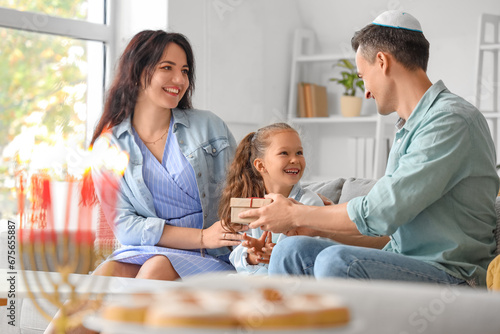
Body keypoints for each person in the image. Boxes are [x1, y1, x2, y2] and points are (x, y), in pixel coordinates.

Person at [240, 11, 499, 287]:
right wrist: (315, 226)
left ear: (382, 61)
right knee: (291, 249)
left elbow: (380, 212)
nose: (365, 91)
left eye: (363, 76)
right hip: (406, 262)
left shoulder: (450, 120)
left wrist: (295, 213)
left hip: (455, 276)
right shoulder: (409, 129)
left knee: (335, 262)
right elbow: (390, 234)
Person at [89, 30, 247, 281]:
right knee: (103, 276)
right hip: (146, 250)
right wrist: (201, 236)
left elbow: (245, 192)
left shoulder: (209, 126)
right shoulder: (108, 146)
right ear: (138, 72)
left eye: (185, 70)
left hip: (213, 254)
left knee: (156, 267)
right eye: (167, 67)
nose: (180, 79)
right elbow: (125, 226)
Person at [218, 123, 325, 275]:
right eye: (284, 153)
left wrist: (275, 256)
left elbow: (313, 255)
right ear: (261, 165)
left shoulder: (311, 203)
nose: (295, 159)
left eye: (299, 152)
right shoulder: (248, 205)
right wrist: (254, 256)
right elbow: (237, 256)